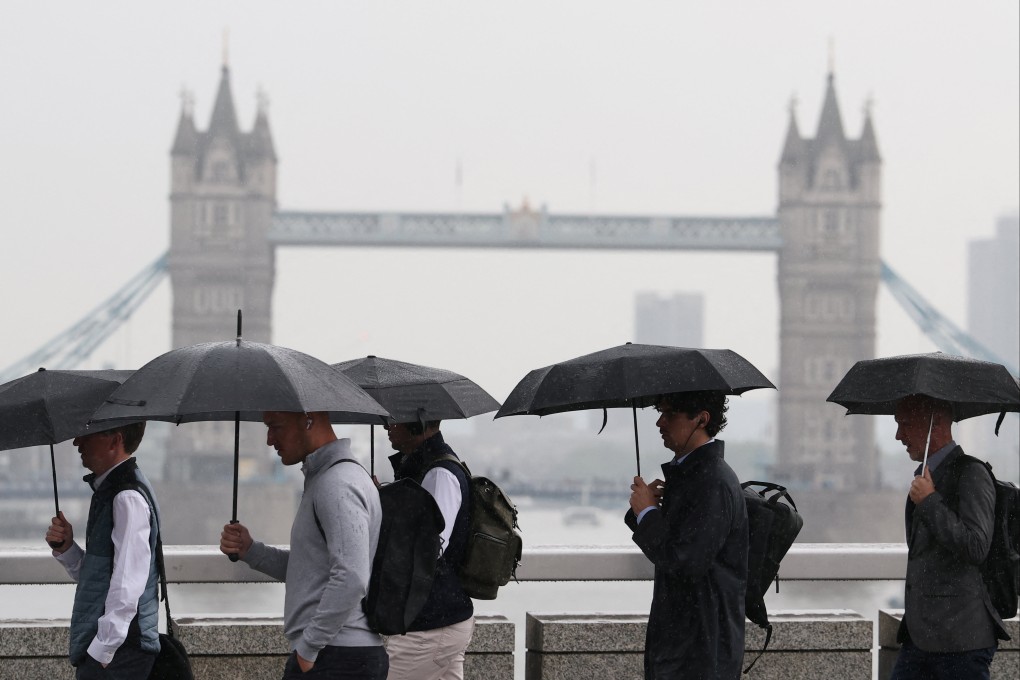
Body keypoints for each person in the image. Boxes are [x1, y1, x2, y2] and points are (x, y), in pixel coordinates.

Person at [219, 411, 387, 680]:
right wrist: (251, 551)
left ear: (308, 419)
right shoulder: (330, 477)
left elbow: (352, 576)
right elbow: (310, 570)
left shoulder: (337, 482)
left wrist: (308, 650)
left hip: (335, 658)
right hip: (338, 654)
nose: (269, 439)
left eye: (275, 427)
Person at [625, 390, 748, 680]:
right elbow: (676, 542)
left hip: (699, 652)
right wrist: (644, 511)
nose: (660, 423)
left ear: (701, 419)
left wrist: (647, 514)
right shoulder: (694, 475)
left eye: (669, 414)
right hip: (686, 644)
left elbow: (685, 561)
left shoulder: (712, 481)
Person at [889, 394, 1008, 680]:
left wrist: (930, 502)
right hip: (922, 638)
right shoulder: (927, 475)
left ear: (936, 424)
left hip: (960, 642)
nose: (898, 436)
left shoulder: (972, 474)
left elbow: (976, 546)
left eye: (905, 425)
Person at [45, 422, 160, 680]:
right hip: (115, 650)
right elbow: (102, 578)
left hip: (119, 652)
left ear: (114, 440)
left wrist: (103, 650)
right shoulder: (114, 490)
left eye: (88, 433)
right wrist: (67, 549)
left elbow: (129, 582)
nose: (77, 442)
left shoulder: (126, 496)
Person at [383, 419, 474, 680]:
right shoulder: (424, 466)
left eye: (393, 420)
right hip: (443, 618)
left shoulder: (439, 474)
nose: (387, 427)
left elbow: (430, 548)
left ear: (417, 421)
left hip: (431, 625)